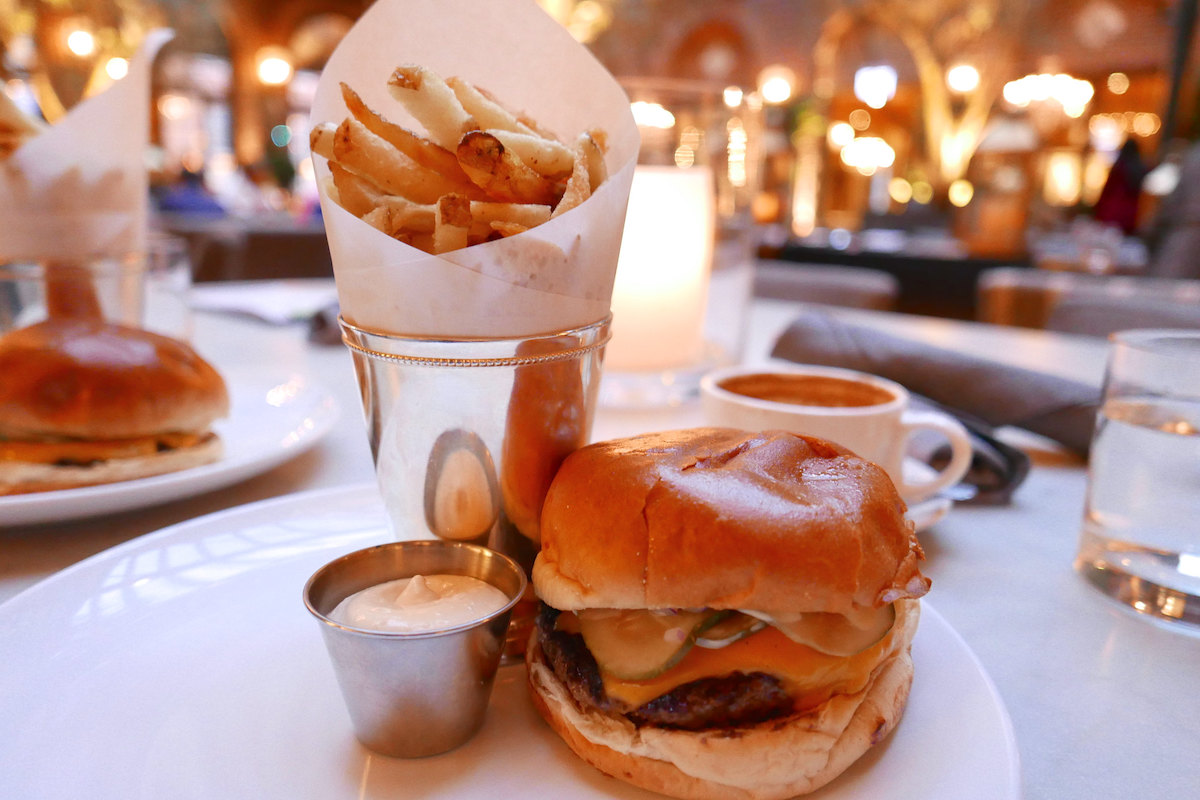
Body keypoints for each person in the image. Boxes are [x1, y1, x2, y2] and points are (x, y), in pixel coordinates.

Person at [1092, 138, 1147, 235]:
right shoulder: (1138, 168)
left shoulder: (1119, 167)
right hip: (1129, 214)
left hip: (1113, 212)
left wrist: (1098, 209)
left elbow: (1108, 189)